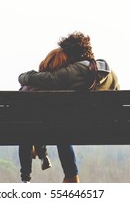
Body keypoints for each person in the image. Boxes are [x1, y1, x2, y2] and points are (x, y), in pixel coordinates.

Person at [18, 31, 119, 183]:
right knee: (63, 122)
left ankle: (68, 175)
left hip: (75, 128)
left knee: (60, 127)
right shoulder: (109, 73)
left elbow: (46, 78)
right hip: (108, 127)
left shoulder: (76, 71)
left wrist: (23, 77)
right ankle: (70, 174)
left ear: (71, 55)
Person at [19, 48, 69, 183]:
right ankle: (42, 154)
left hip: (29, 129)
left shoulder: (30, 84)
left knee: (26, 131)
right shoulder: (63, 86)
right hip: (54, 130)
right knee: (38, 124)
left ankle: (25, 178)